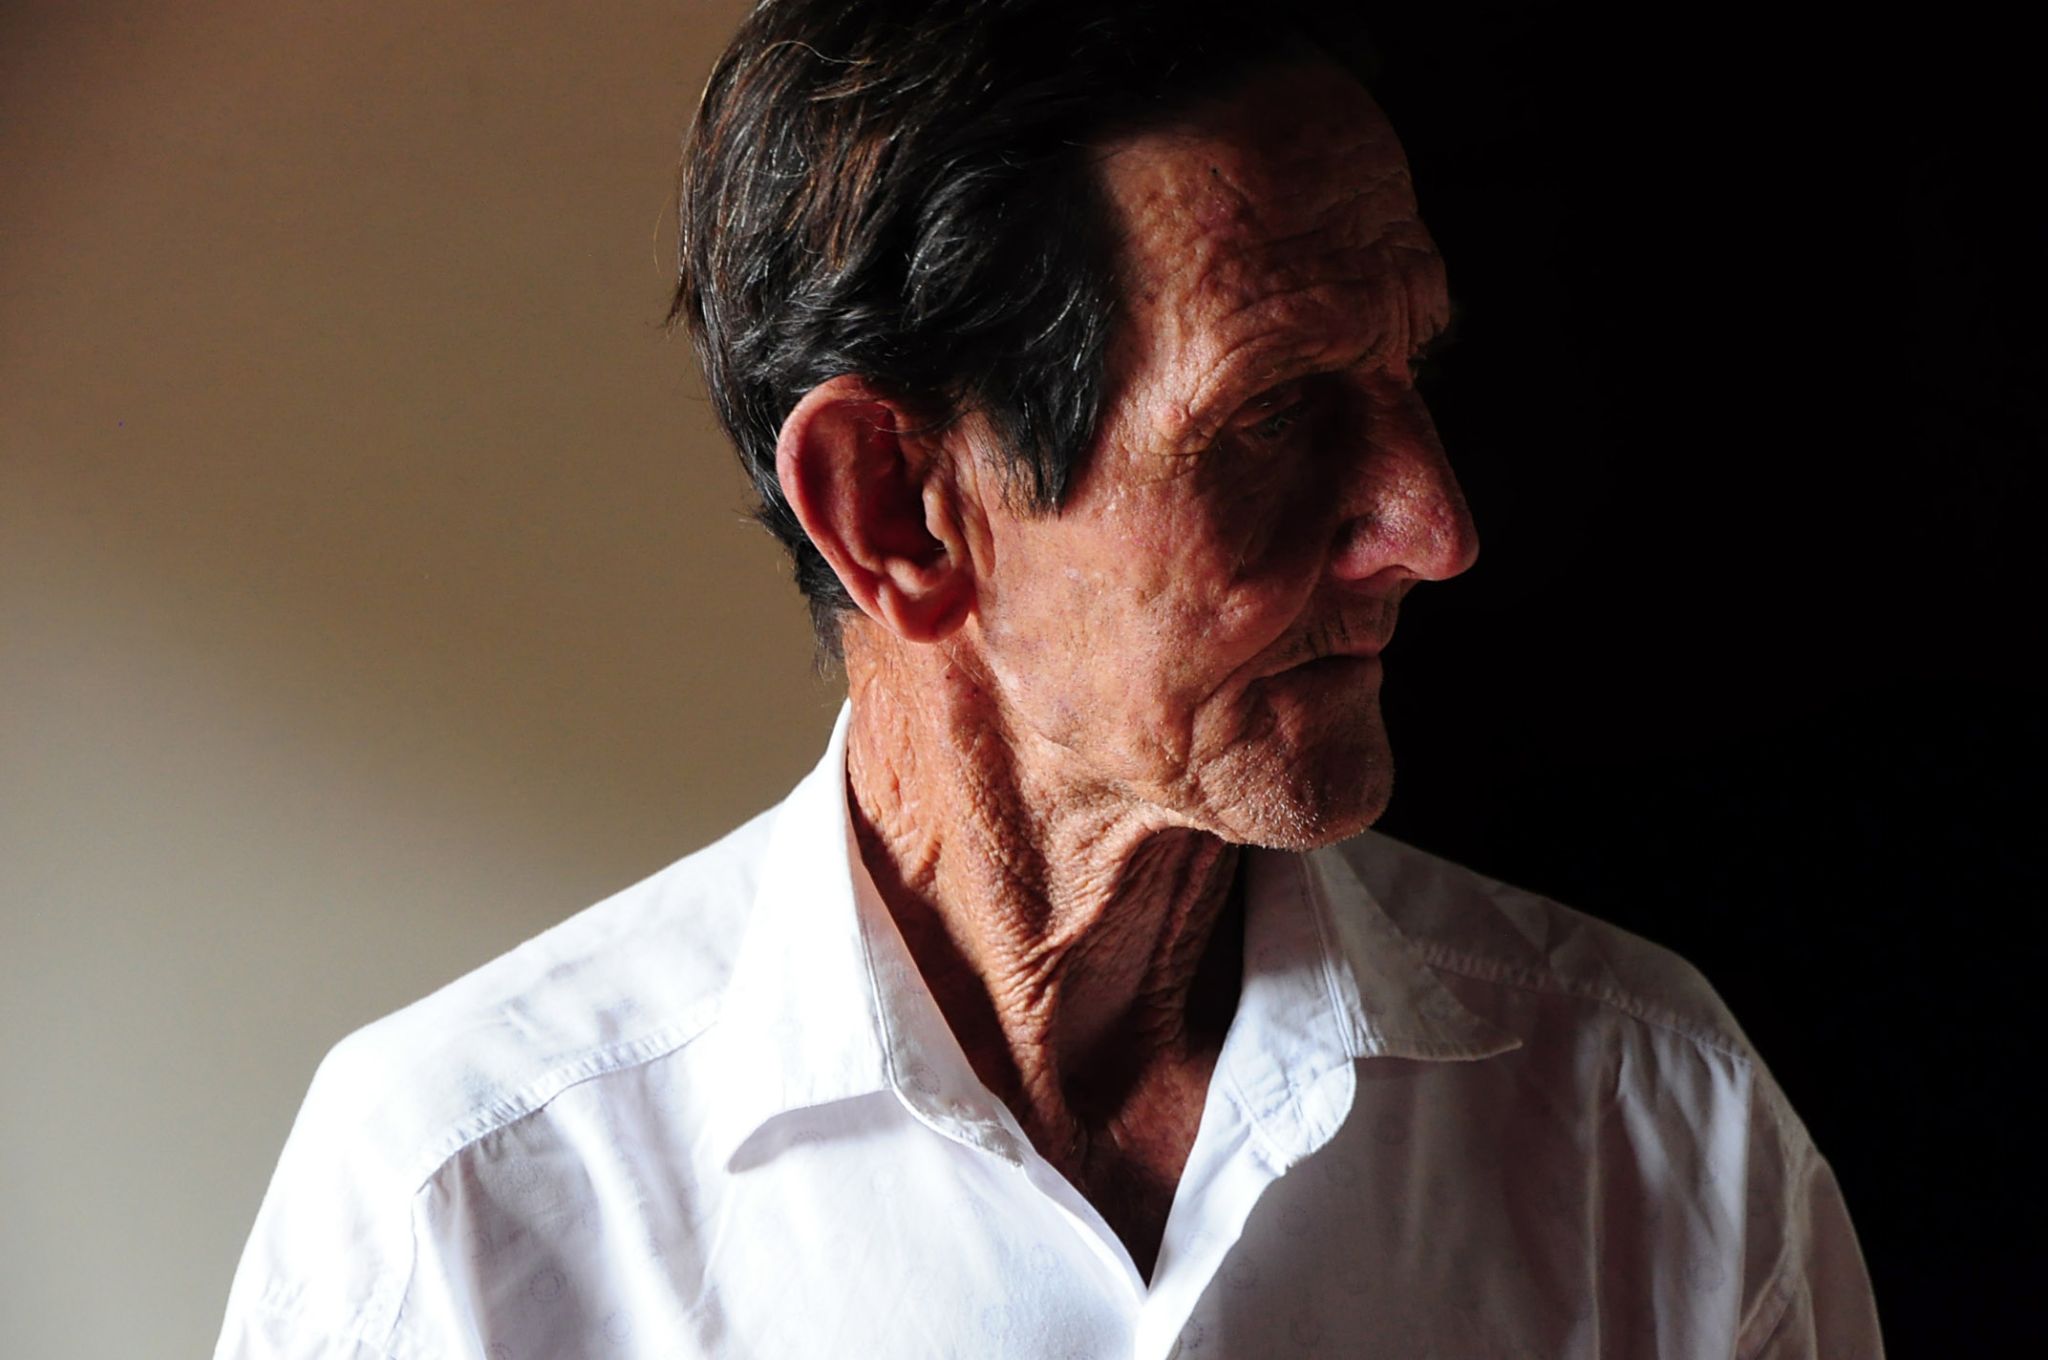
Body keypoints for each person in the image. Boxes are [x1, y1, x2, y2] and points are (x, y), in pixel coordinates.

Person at [216, 1, 1884, 1356]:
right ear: (897, 509)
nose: (1434, 528)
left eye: (1412, 374)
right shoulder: (455, 1215)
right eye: (1275, 413)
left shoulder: (1654, 1130)